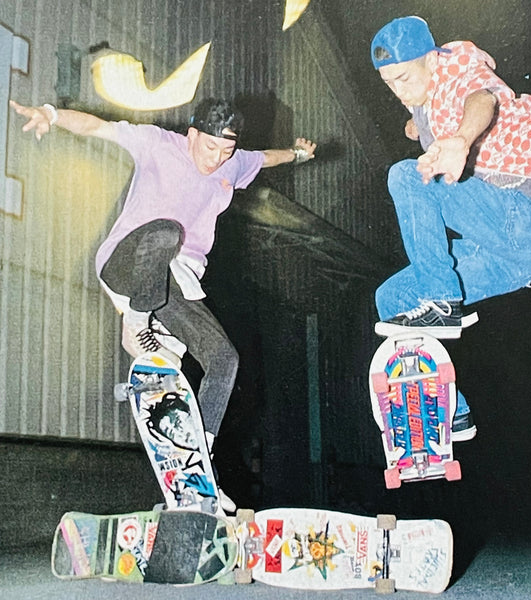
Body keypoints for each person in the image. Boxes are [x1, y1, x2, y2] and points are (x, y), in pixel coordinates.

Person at [11, 98, 316, 511]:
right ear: (192, 135)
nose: (216, 159)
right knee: (166, 233)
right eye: (210, 147)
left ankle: (200, 460)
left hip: (175, 282)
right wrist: (51, 115)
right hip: (128, 262)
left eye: (226, 151)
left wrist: (297, 153)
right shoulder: (157, 144)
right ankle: (137, 323)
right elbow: (98, 127)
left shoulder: (232, 163)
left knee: (224, 359)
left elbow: (265, 158)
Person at [369, 16, 531, 439]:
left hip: (523, 220)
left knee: (406, 176)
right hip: (509, 263)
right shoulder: (423, 97)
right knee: (392, 299)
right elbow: (422, 112)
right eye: (389, 84)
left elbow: (482, 98)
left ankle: (443, 301)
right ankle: (451, 413)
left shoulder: (456, 70)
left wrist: (462, 139)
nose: (399, 91)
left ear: (431, 59)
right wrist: (416, 125)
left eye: (404, 78)